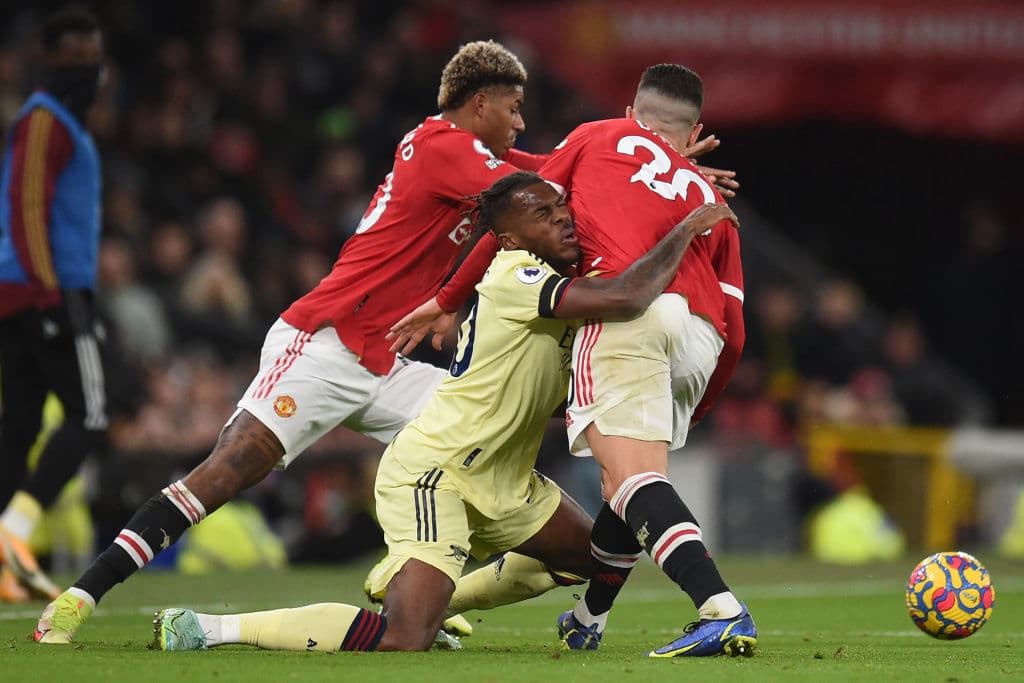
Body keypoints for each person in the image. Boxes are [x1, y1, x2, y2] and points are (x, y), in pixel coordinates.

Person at [33, 38, 548, 643]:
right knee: (229, 469)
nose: (520, 122)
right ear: (480, 102)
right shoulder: (443, 146)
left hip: (384, 360)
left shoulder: (462, 159)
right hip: (325, 343)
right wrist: (610, 157)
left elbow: (536, 184)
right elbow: (538, 185)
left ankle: (411, 586)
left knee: (479, 440)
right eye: (513, 108)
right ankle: (79, 596)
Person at [149, 171, 739, 653]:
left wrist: (667, 170)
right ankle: (209, 628)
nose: (562, 218)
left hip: (507, 480)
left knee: (597, 557)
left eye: (561, 208)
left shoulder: (566, 282)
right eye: (542, 214)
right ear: (508, 240)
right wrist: (684, 227)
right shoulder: (516, 275)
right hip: (440, 471)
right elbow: (628, 296)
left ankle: (436, 592)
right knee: (406, 638)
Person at [391, 64, 754, 658]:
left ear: (632, 114)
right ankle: (589, 617)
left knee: (631, 479)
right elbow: (735, 328)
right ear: (693, 134)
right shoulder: (708, 194)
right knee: (626, 486)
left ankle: (721, 609)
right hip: (703, 334)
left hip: (630, 311)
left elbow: (510, 219)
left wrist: (448, 298)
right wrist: (702, 401)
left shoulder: (600, 135)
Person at [0, 7, 108, 604]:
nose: (88, 68)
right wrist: (49, 299)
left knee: (18, 427)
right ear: (51, 60)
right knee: (88, 415)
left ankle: (3, 560)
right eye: (76, 57)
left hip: (21, 289)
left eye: (93, 55)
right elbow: (27, 207)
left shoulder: (56, 120)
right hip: (48, 289)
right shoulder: (46, 120)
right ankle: (13, 530)